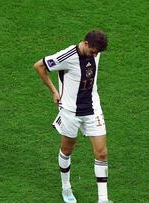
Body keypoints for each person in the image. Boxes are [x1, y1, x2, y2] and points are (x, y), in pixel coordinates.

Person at [33, 30, 113, 203]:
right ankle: (66, 187)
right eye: (93, 51)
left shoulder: (95, 52)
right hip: (70, 112)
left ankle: (103, 199)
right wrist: (54, 91)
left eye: (98, 52)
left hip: (93, 109)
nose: (96, 55)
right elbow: (39, 66)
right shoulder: (67, 56)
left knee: (101, 152)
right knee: (67, 149)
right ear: (85, 44)